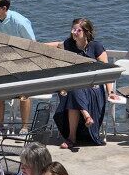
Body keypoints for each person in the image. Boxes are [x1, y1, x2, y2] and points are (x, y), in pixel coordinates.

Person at [49, 18, 119, 151]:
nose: (74, 32)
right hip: (73, 87)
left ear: (86, 32)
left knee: (74, 90)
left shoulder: (96, 47)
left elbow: (107, 72)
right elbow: (55, 45)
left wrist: (110, 91)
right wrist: (31, 45)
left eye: (78, 30)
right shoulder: (69, 44)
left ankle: (71, 138)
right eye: (73, 29)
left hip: (93, 88)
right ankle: (86, 115)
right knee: (74, 89)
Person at [0, 0, 36, 131]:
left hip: (22, 62)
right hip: (2, 61)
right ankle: (0, 126)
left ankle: (25, 128)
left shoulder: (20, 22)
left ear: (4, 8)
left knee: (24, 94)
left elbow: (32, 45)